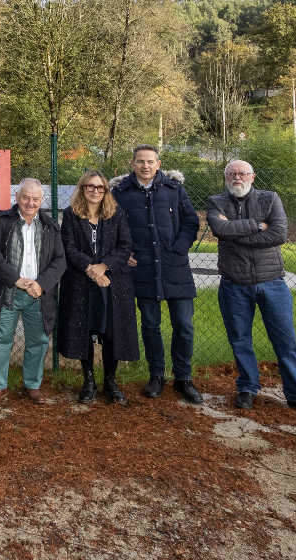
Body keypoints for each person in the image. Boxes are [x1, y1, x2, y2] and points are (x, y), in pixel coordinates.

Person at [206, 160, 296, 421]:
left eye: (242, 173)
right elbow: (220, 229)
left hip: (272, 282)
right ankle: (247, 388)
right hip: (234, 284)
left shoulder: (270, 199)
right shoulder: (216, 201)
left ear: (253, 175)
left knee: (286, 342)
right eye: (232, 174)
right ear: (226, 177)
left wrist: (237, 233)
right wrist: (257, 225)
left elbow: (279, 235)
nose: (237, 177)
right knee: (240, 341)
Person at [112, 145, 203, 404]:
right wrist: (123, 252)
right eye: (140, 161)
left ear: (158, 164)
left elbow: (191, 221)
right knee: (150, 326)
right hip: (142, 270)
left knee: (184, 326)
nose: (145, 166)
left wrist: (179, 248)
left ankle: (183, 378)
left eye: (150, 161)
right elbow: (112, 226)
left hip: (175, 269)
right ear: (132, 164)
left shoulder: (174, 190)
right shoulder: (121, 193)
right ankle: (156, 375)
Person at [0, 178, 66, 405]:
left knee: (38, 340)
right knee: (0, 340)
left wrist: (42, 284)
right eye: (26, 197)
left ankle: (33, 385)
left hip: (38, 294)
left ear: (42, 200)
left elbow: (60, 261)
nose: (30, 203)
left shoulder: (50, 226)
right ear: (17, 198)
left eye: (35, 199)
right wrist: (15, 279)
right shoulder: (3, 222)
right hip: (8, 292)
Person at [57, 171, 138, 405]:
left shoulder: (117, 214)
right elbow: (69, 248)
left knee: (112, 332)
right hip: (81, 284)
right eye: (90, 187)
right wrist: (91, 269)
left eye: (100, 187)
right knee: (84, 332)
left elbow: (125, 246)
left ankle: (110, 381)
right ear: (82, 189)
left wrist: (104, 266)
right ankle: (89, 380)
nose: (95, 191)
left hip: (113, 284)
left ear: (106, 191)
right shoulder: (71, 215)